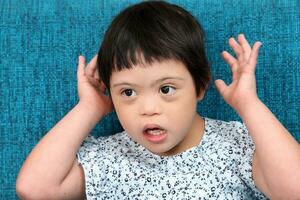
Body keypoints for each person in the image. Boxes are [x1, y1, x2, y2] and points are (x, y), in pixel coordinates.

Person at [16, 1, 300, 199]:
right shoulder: (108, 157)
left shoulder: (237, 144)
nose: (148, 109)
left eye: (166, 89)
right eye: (127, 93)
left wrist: (249, 104)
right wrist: (89, 107)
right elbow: (34, 189)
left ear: (200, 86)